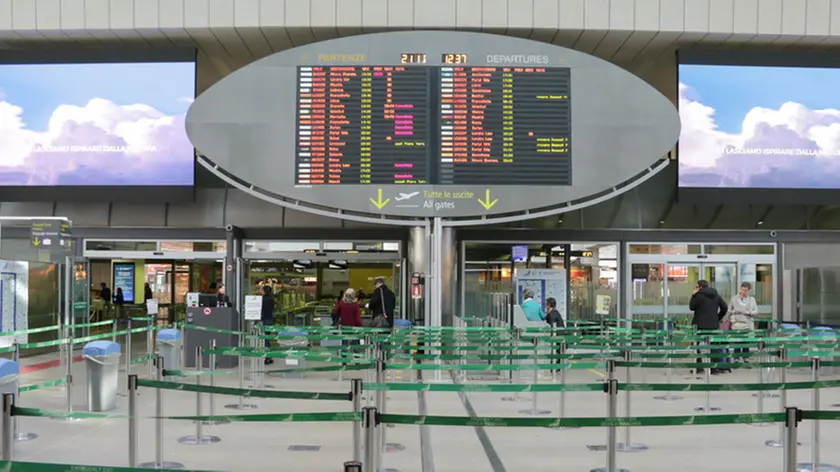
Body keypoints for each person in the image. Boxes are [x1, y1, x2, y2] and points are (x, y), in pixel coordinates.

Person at [689, 280, 728, 374]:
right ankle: (714, 368)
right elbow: (725, 307)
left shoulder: (698, 296)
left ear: (700, 287)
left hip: (700, 325)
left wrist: (693, 295)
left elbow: (692, 307)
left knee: (697, 346)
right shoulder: (716, 295)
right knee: (714, 347)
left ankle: (699, 367)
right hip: (713, 325)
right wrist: (717, 317)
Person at [728, 282, 758, 361]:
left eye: (745, 290)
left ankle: (746, 358)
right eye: (742, 290)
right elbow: (729, 309)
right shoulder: (734, 298)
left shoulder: (751, 299)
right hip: (737, 323)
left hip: (747, 323)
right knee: (737, 342)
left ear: (749, 291)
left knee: (746, 342)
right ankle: (736, 358)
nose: (743, 292)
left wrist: (749, 313)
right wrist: (734, 311)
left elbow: (756, 311)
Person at [260, 285, 275, 364]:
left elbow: (262, 310)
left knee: (265, 339)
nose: (260, 291)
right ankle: (269, 355)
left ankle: (268, 356)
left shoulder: (263, 300)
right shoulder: (271, 299)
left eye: (261, 290)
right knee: (267, 338)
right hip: (270, 319)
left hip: (264, 320)